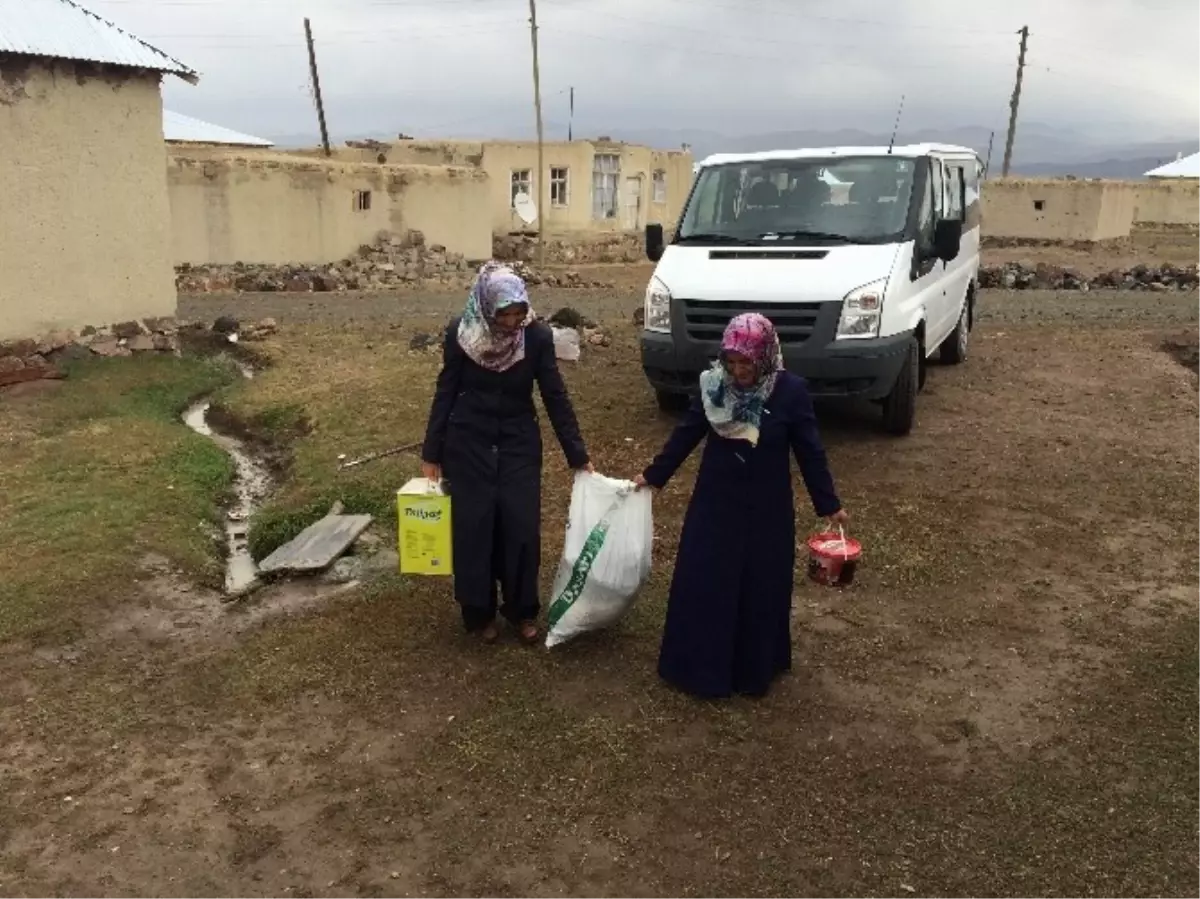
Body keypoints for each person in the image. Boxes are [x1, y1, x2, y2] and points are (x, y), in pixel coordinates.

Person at [634, 313, 847, 699]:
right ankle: (701, 669)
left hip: (767, 509)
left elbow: (810, 450)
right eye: (731, 362)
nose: (738, 371)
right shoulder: (713, 387)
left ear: (765, 357)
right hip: (715, 503)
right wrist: (654, 476)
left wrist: (828, 503)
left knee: (761, 584)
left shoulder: (790, 392)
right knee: (708, 580)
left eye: (746, 363)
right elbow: (687, 434)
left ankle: (754, 669)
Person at [421, 261, 592, 644]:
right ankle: (478, 612)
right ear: (486, 307)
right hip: (467, 443)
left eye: (519, 313)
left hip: (518, 442)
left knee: (520, 526)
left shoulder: (537, 337)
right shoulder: (460, 334)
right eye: (505, 315)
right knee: (475, 527)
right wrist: (431, 453)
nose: (513, 322)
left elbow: (554, 396)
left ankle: (522, 610)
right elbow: (445, 391)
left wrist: (577, 454)